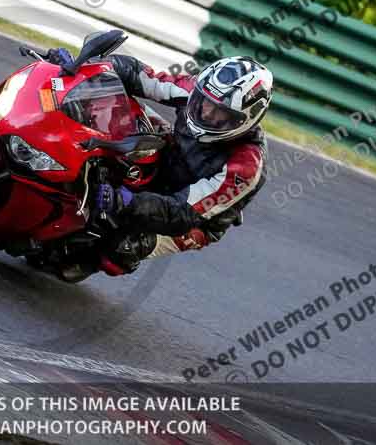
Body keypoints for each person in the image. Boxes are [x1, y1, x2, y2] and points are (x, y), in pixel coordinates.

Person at [48, 49, 273, 280]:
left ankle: (91, 259)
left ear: (247, 119)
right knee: (113, 108)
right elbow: (140, 74)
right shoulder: (195, 92)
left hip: (194, 220)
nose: (206, 113)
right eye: (204, 102)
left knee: (125, 247)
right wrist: (80, 68)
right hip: (173, 158)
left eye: (220, 113)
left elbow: (183, 212)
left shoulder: (247, 165)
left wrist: (126, 201)